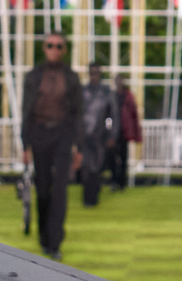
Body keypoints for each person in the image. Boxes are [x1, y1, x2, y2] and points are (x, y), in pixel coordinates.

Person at [21, 31, 80, 259]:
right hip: (39, 134)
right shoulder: (34, 76)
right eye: (50, 45)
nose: (54, 49)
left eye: (58, 46)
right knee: (43, 189)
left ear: (64, 50)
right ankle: (44, 238)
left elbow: (78, 112)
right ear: (44, 48)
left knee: (60, 190)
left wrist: (80, 146)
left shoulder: (71, 77)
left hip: (63, 134)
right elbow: (26, 109)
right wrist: (25, 144)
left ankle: (55, 242)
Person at [78, 63, 118, 208]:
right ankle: (87, 198)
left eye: (96, 73)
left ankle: (93, 196)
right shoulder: (83, 92)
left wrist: (110, 132)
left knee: (96, 166)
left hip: (100, 135)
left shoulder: (106, 92)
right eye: (91, 73)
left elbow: (110, 116)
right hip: (84, 135)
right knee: (86, 166)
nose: (93, 75)